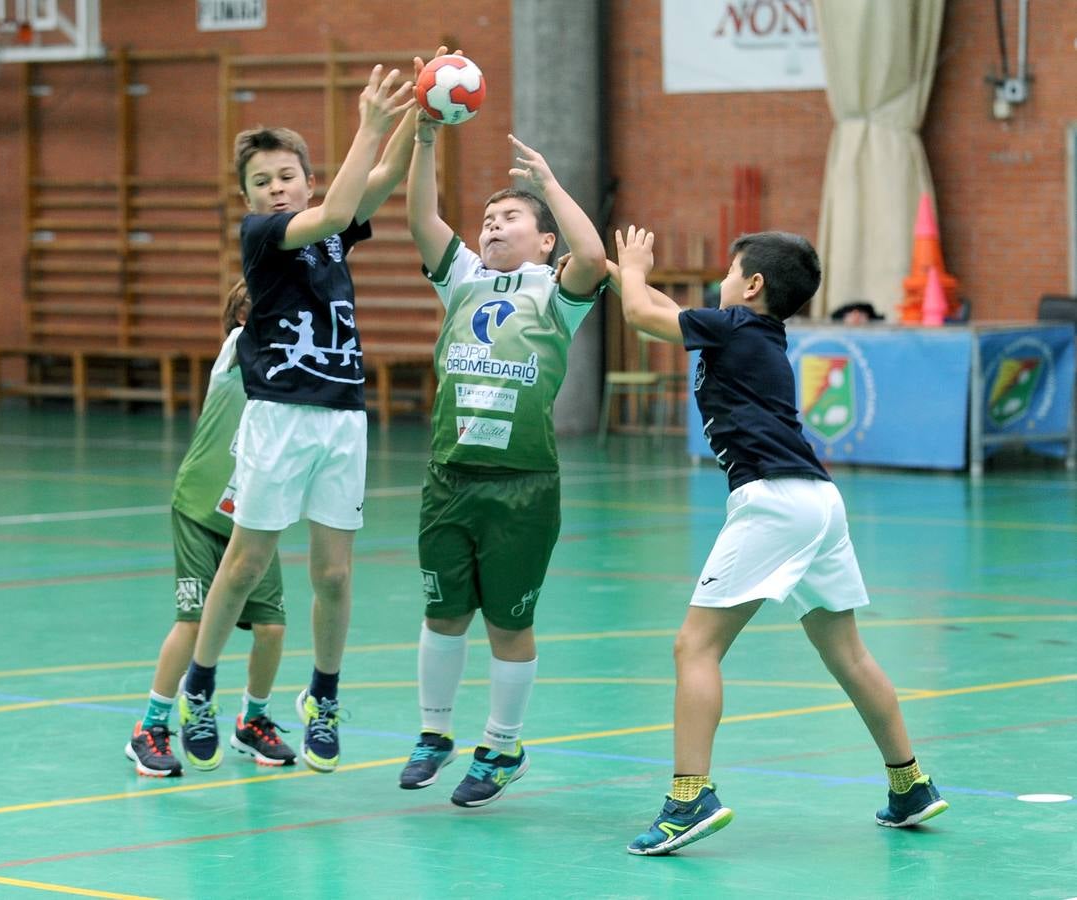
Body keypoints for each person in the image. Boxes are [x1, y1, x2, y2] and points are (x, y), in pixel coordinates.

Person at [611, 226, 948, 855]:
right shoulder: (753, 332)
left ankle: (689, 798)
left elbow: (639, 312)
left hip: (773, 502)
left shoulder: (735, 327)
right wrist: (619, 267)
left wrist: (631, 272)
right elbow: (658, 305)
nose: (722, 281)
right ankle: (911, 784)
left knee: (695, 647)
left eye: (729, 271)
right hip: (819, 501)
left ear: (753, 284)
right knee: (846, 653)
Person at [177, 61, 418, 773]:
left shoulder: (333, 233)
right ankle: (200, 685)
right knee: (247, 560)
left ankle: (324, 696)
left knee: (336, 576)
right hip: (280, 416)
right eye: (262, 180)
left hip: (341, 417)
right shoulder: (265, 235)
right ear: (250, 196)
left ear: (306, 178)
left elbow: (380, 182)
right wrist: (369, 124)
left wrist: (421, 115)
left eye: (286, 175)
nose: (275, 186)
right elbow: (341, 207)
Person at [396, 90, 608, 807]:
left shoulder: (555, 292)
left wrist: (546, 185)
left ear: (545, 241)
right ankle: (433, 733)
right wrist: (426, 139)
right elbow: (421, 218)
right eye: (487, 218)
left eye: (510, 217)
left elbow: (596, 254)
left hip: (522, 484)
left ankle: (502, 746)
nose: (493, 224)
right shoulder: (463, 281)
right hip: (450, 476)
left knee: (509, 623)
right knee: (442, 614)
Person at [126, 280, 295, 776]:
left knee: (271, 627)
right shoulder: (236, 350)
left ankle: (253, 721)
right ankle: (150, 728)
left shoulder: (292, 374)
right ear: (243, 316)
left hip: (254, 516)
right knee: (195, 621)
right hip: (201, 509)